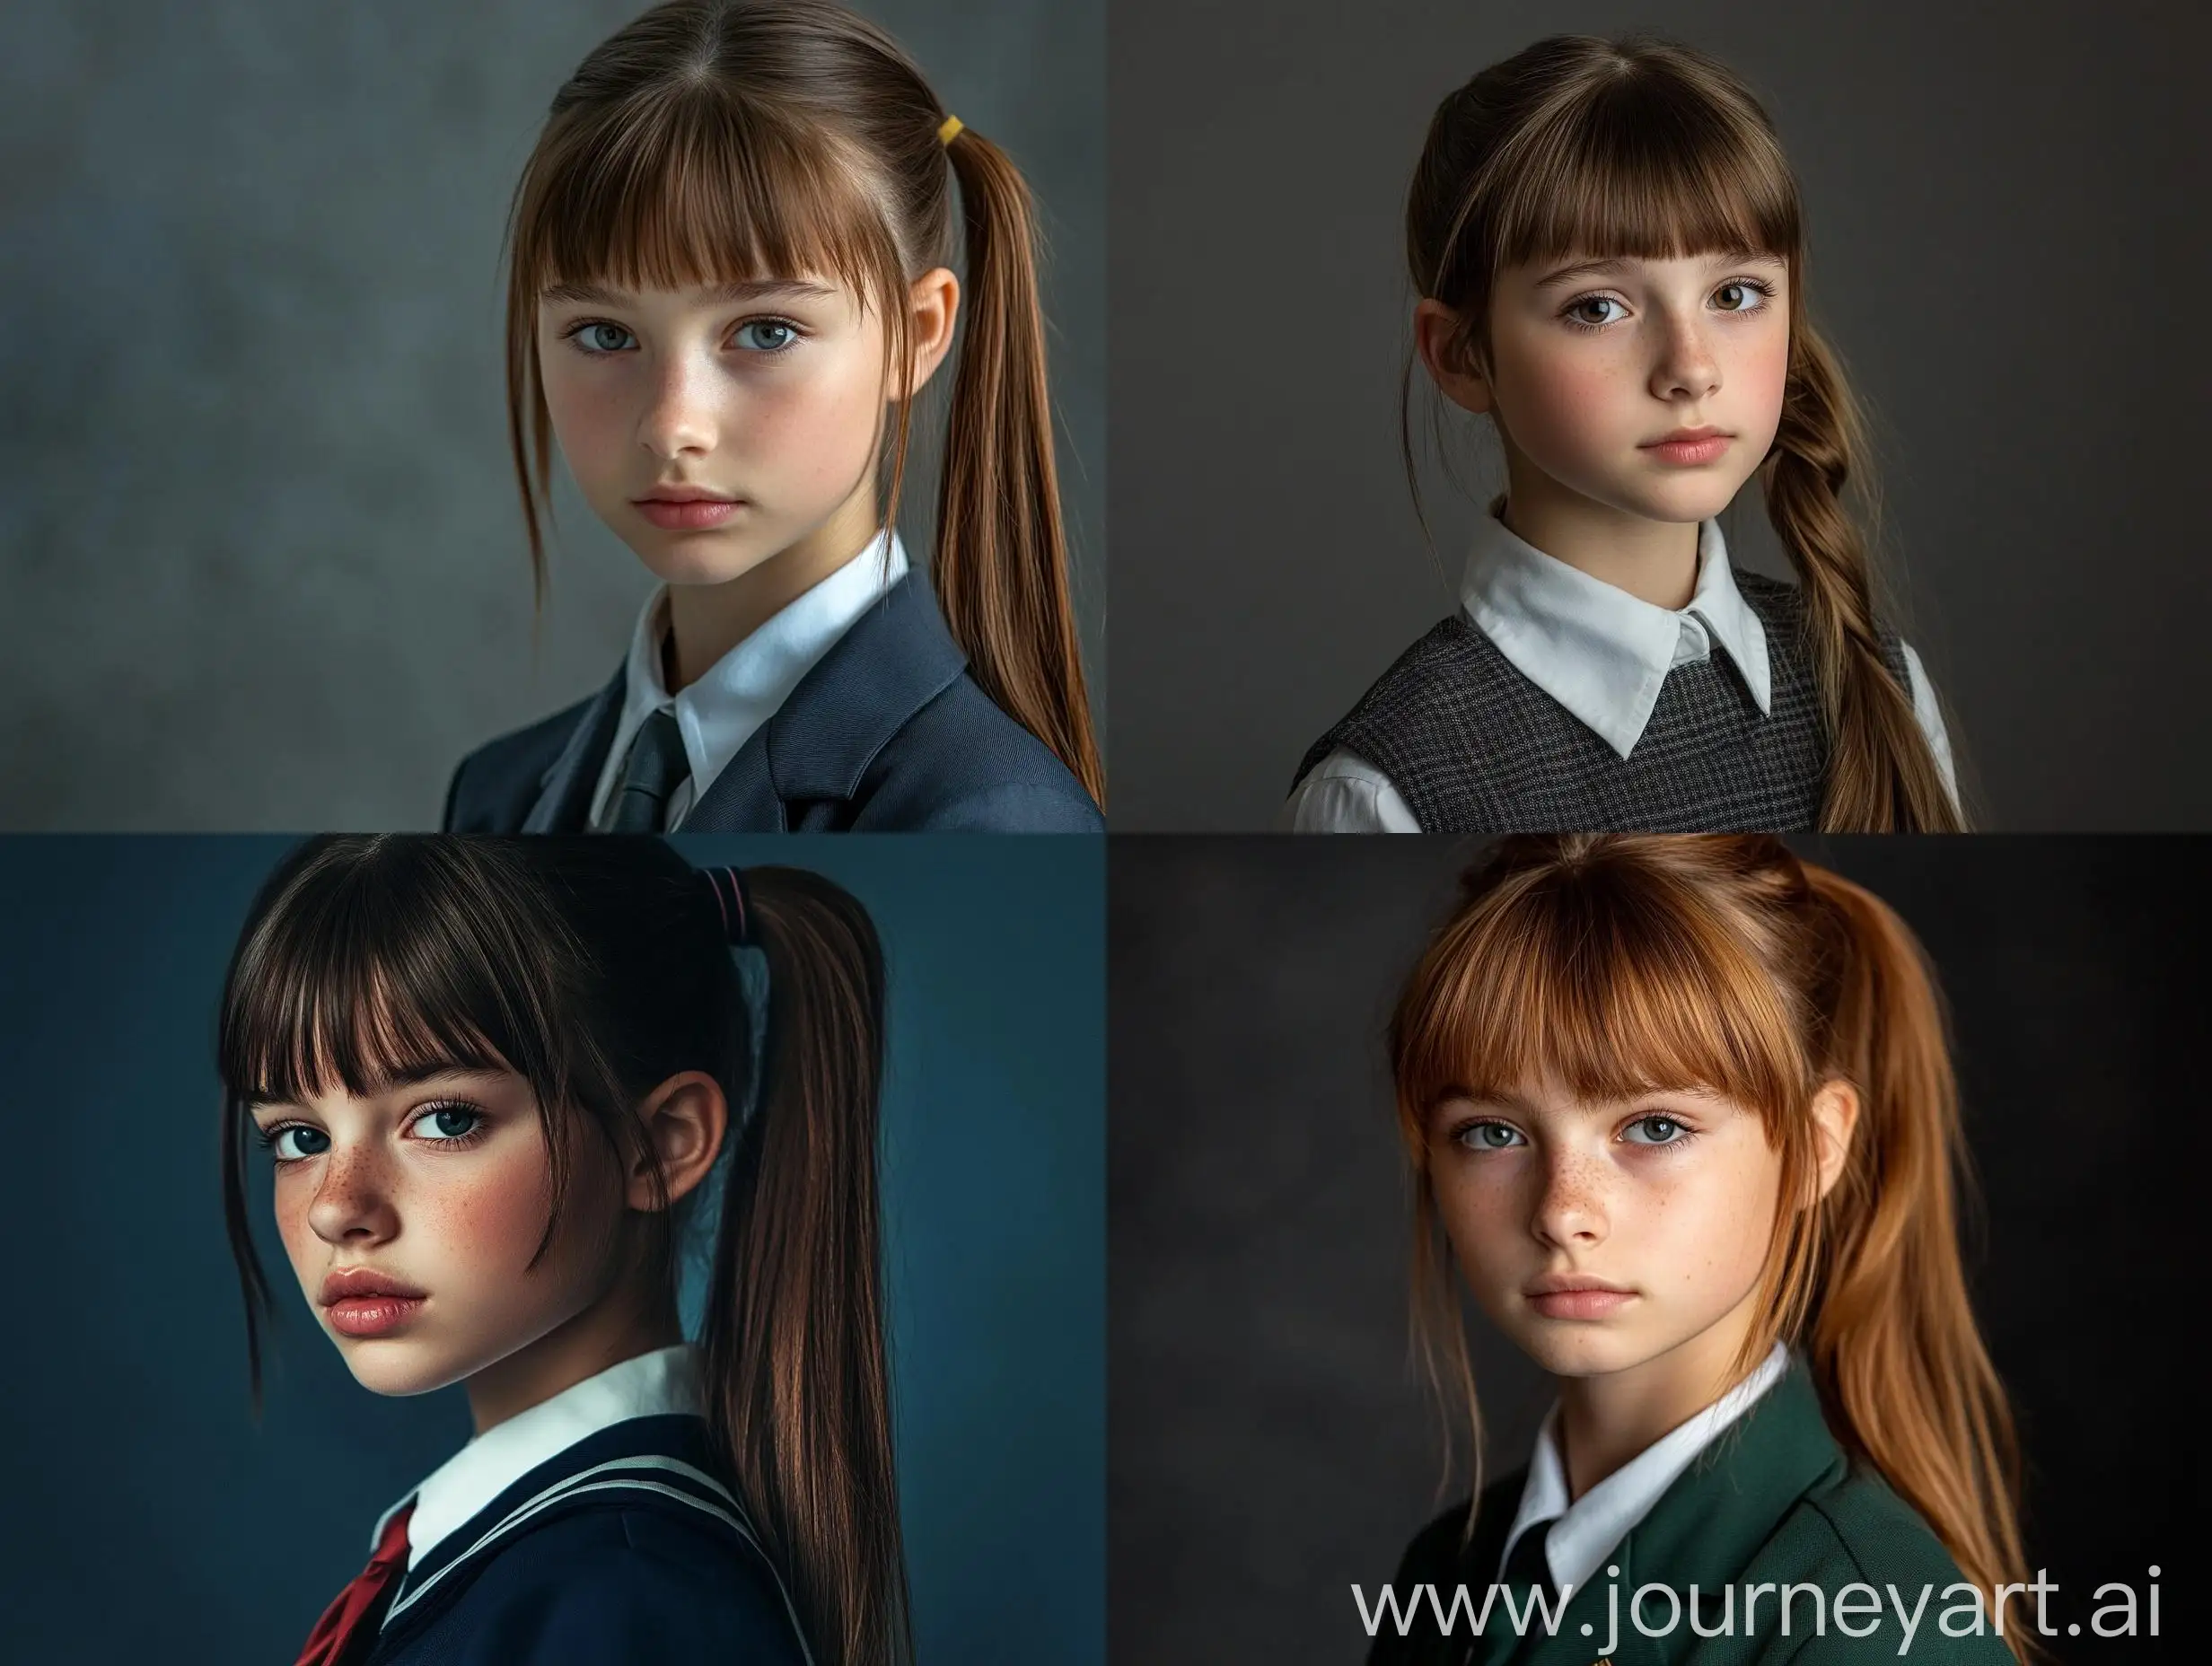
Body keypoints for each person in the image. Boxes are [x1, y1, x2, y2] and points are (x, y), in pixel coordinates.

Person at [219, 836, 907, 1663]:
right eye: (298, 1137)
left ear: (663, 1143)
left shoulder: (622, 1603)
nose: (336, 1208)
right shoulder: (535, 1566)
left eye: (445, 1119)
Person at [444, 0, 1102, 834]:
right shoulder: (496, 797)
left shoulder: (991, 819)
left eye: (765, 332)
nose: (673, 426)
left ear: (917, 335)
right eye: (605, 334)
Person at [1370, 835, 2025, 1662]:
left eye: (1655, 1126)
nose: (1563, 1213)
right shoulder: (1447, 1575)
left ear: (1816, 1147)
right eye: (1493, 1132)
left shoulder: (1875, 1621)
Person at [1287, 37, 1962, 835]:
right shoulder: (1387, 789)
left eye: (1736, 293)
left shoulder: (1886, 687)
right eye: (1598, 307)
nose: (1691, 369)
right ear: (1462, 354)